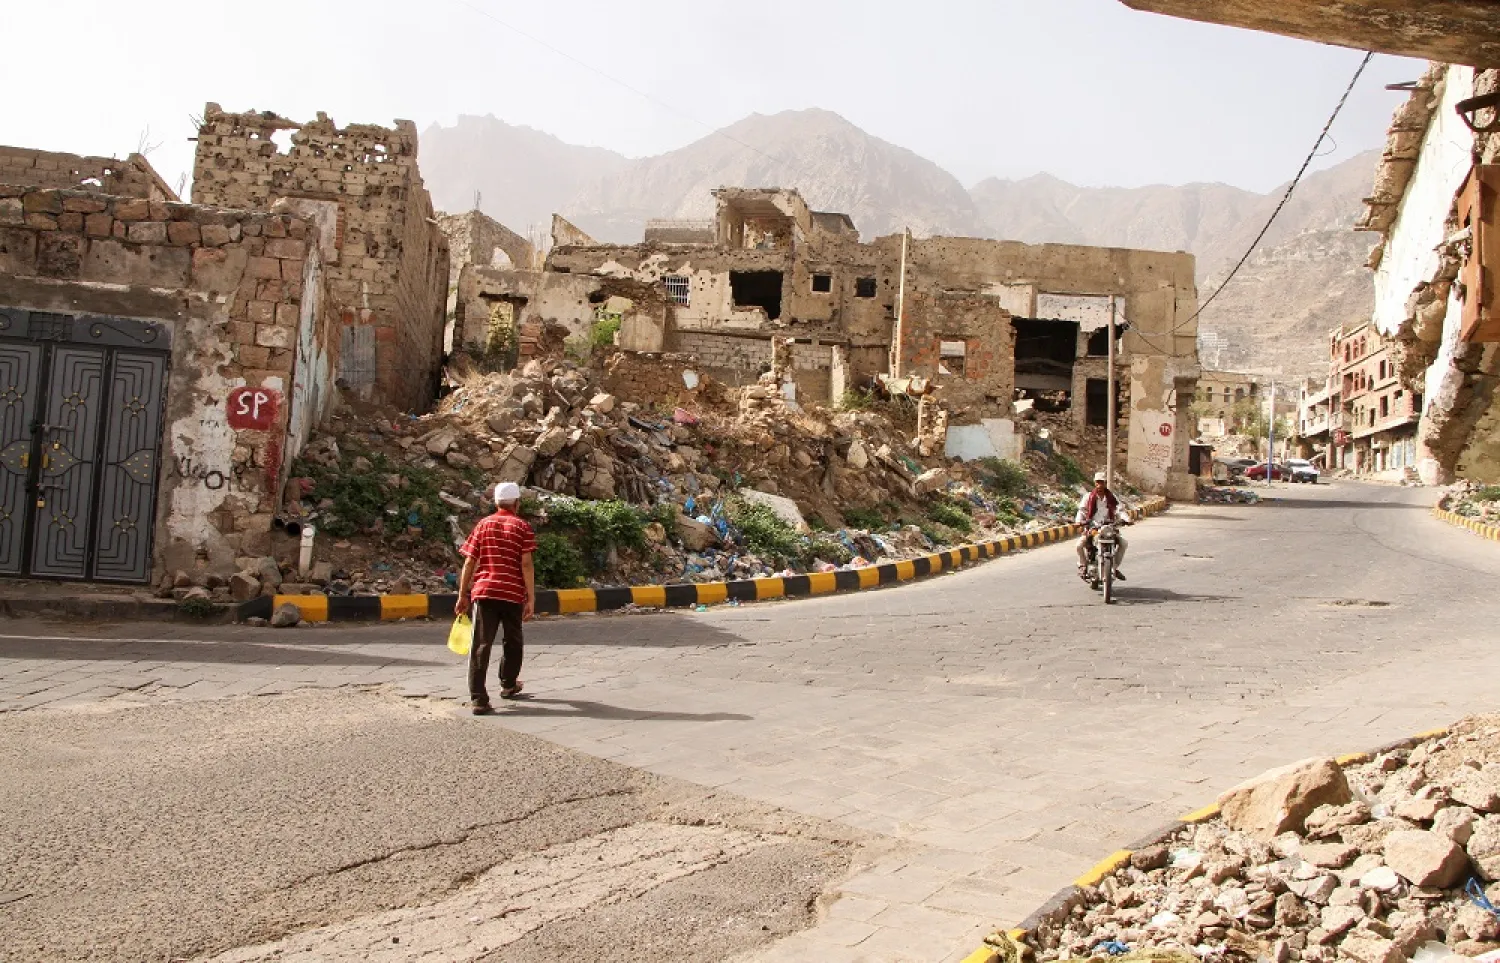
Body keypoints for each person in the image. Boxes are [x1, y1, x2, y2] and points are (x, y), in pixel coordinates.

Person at [456, 482, 537, 714]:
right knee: (513, 641)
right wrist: (531, 598)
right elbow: (526, 564)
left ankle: (478, 698)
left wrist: (462, 594)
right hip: (511, 593)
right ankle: (509, 684)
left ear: (496, 503)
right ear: (517, 503)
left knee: (481, 644)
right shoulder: (522, 526)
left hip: (484, 592)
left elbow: (469, 561)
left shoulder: (483, 525)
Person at [1076, 471, 1129, 581]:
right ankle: (1083, 565)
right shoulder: (1088, 497)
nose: (1100, 485)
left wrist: (1126, 519)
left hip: (1109, 528)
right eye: (1098, 482)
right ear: (1095, 483)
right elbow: (1082, 511)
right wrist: (1079, 521)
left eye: (1102, 482)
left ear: (1105, 483)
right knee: (1079, 545)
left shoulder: (1112, 497)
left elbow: (1119, 509)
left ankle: (1114, 567)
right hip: (1093, 527)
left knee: (1123, 543)